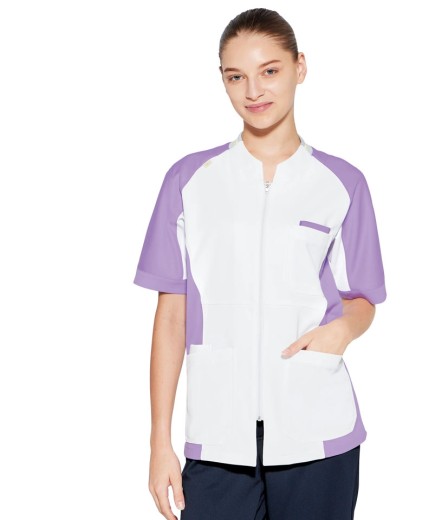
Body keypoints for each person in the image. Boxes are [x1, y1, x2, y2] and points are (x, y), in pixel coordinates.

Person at [133, 7, 386, 520]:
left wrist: (342, 331)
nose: (254, 90)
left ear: (299, 67)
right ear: (223, 80)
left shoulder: (342, 183)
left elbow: (361, 297)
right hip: (217, 438)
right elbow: (172, 314)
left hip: (318, 432)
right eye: (236, 76)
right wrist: (160, 441)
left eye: (269, 70)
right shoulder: (188, 180)